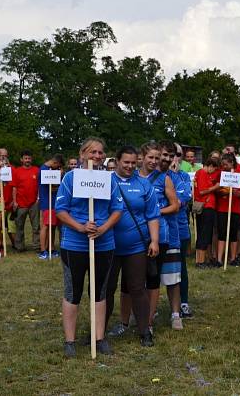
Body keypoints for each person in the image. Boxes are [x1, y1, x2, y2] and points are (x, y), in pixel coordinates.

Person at [56, 137, 123, 358]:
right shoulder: (70, 178)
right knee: (73, 292)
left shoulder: (109, 179)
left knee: (99, 292)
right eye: (92, 152)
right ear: (82, 154)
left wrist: (102, 228)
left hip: (104, 244)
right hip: (74, 245)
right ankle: (70, 341)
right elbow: (61, 210)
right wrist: (81, 227)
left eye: (100, 153)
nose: (97, 156)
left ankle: (99, 337)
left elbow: (117, 209)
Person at [107, 145, 160, 347]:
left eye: (133, 162)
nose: (129, 166)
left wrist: (154, 241)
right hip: (108, 246)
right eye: (126, 162)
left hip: (136, 246)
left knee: (138, 288)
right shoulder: (105, 181)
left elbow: (153, 215)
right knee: (107, 289)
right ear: (118, 161)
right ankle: (100, 331)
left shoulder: (144, 184)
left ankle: (144, 331)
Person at [139, 141, 184, 331]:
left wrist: (155, 212)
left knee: (172, 277)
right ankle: (148, 312)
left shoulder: (171, 177)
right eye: (162, 155)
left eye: (168, 156)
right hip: (143, 235)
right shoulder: (138, 175)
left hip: (169, 234)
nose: (165, 159)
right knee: (147, 276)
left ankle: (175, 314)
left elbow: (177, 204)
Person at [171, 142, 194, 318]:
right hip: (160, 228)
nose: (174, 158)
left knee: (181, 267)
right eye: (171, 154)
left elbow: (183, 198)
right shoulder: (157, 176)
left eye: (178, 154)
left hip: (180, 228)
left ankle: (183, 302)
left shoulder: (185, 176)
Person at [213, 154, 240, 267]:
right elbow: (216, 189)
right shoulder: (221, 173)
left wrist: (236, 192)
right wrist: (223, 191)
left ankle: (233, 258)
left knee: (233, 234)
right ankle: (219, 259)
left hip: (235, 208)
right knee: (222, 233)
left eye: (226, 164)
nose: (224, 166)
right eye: (222, 164)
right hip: (222, 208)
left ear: (232, 162)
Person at [193, 157, 220, 268]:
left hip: (206, 206)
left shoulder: (201, 173)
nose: (214, 171)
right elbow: (202, 191)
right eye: (214, 169)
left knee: (203, 234)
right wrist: (216, 187)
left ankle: (200, 260)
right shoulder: (203, 173)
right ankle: (201, 261)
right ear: (210, 166)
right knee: (204, 234)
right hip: (206, 206)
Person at [12, 150, 40, 252]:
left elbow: (40, 186)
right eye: (25, 158)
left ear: (31, 159)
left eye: (29, 158)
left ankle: (37, 246)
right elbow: (14, 187)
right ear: (21, 160)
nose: (27, 160)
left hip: (34, 203)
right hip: (20, 203)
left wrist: (38, 198)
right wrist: (14, 201)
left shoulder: (37, 170)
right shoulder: (17, 171)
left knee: (36, 226)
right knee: (19, 226)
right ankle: (19, 247)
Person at [38, 154, 64, 260]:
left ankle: (51, 248)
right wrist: (59, 175)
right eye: (58, 166)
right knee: (45, 226)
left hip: (53, 202)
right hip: (46, 203)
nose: (58, 168)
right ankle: (43, 250)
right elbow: (51, 188)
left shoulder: (50, 169)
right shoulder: (44, 170)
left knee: (52, 226)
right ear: (55, 162)